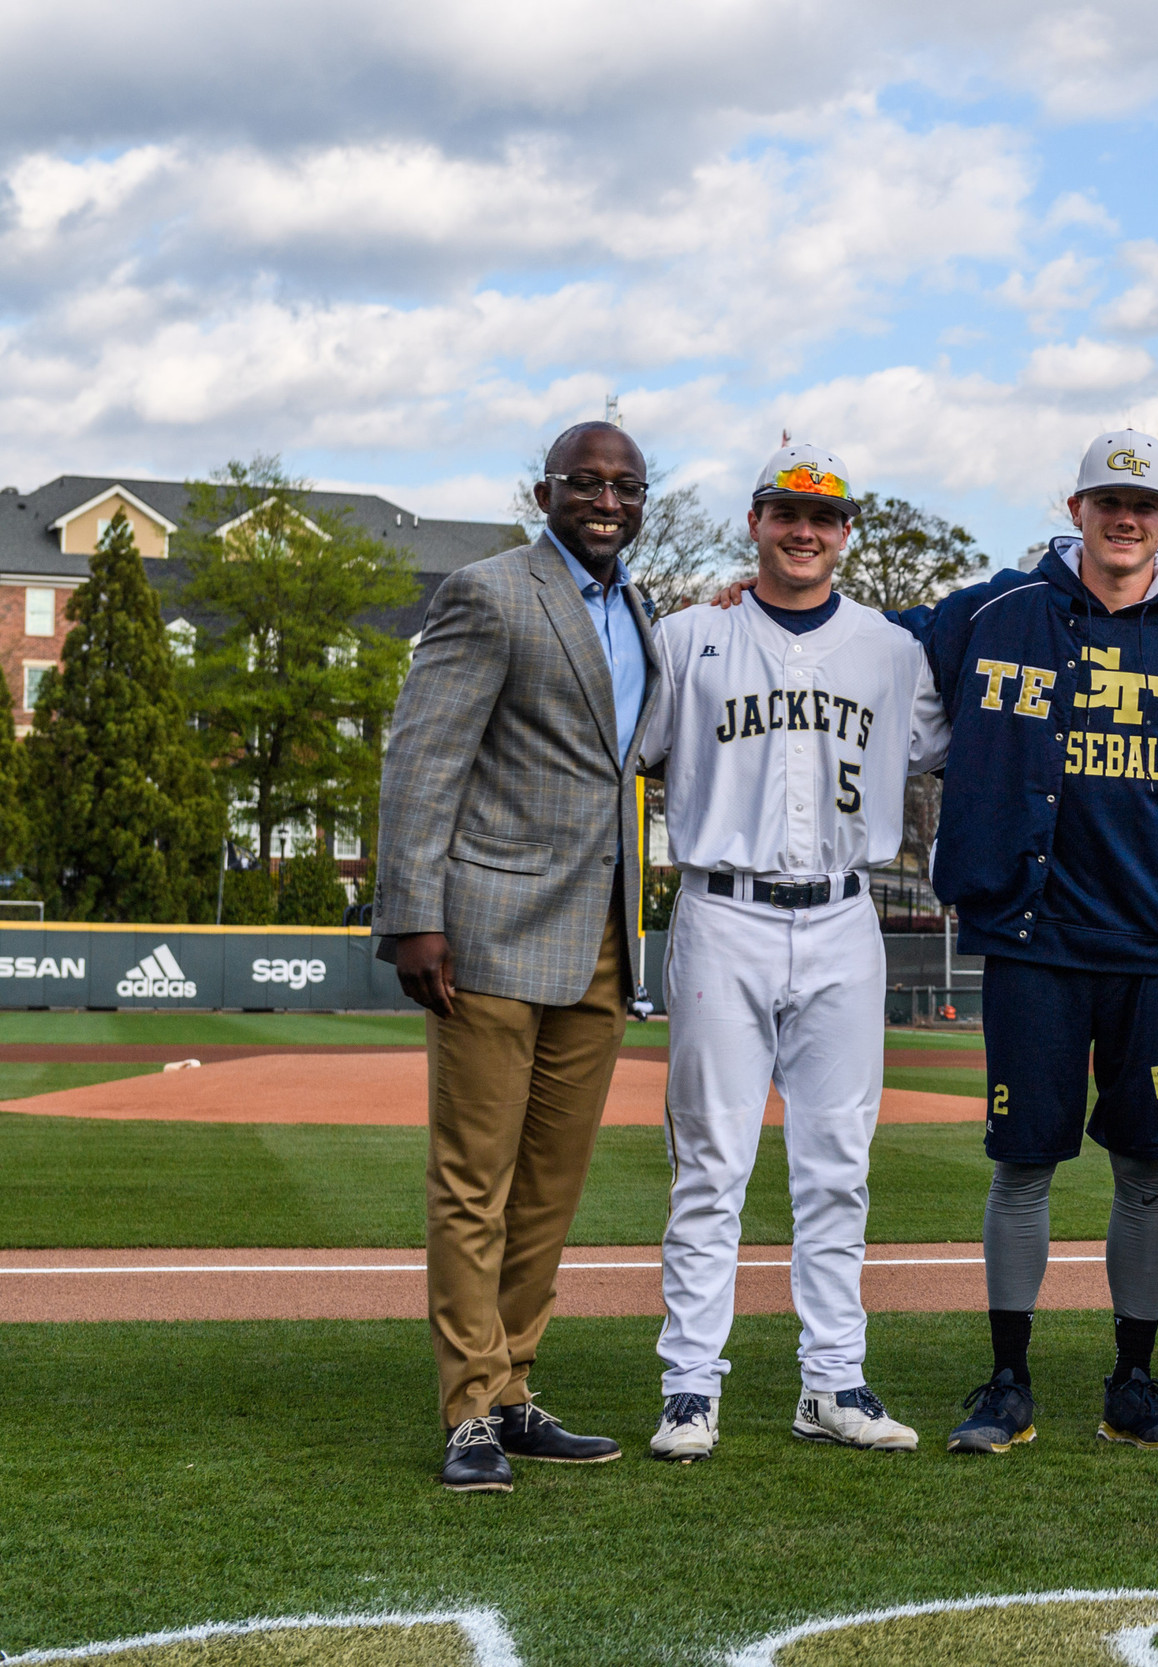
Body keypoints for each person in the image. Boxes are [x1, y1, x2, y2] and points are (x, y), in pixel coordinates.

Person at [905, 430, 1158, 1455]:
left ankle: (1133, 1382)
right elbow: (854, 635)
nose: (1125, 516)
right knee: (1023, 1164)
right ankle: (1007, 1376)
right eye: (1109, 498)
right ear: (1075, 507)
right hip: (1033, 937)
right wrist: (734, 600)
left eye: (1144, 502)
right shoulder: (987, 613)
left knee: (1147, 1166)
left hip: (1155, 943)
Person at [639, 443, 948, 1463]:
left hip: (842, 917)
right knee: (710, 1163)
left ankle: (832, 1381)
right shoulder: (688, 635)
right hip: (721, 911)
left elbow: (967, 735)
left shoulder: (893, 651)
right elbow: (620, 745)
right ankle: (690, 1384)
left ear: (846, 529)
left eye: (824, 515)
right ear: (755, 521)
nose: (805, 530)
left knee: (836, 1166)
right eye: (786, 512)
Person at [374, 420, 659, 1492]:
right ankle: (468, 1413)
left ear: (644, 500)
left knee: (547, 1188)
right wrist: (413, 911)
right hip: (488, 927)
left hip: (601, 937)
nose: (605, 497)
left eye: (625, 484)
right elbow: (422, 754)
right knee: (472, 1182)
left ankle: (515, 1386)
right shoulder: (489, 592)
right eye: (584, 481)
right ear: (543, 491)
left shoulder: (643, 610)